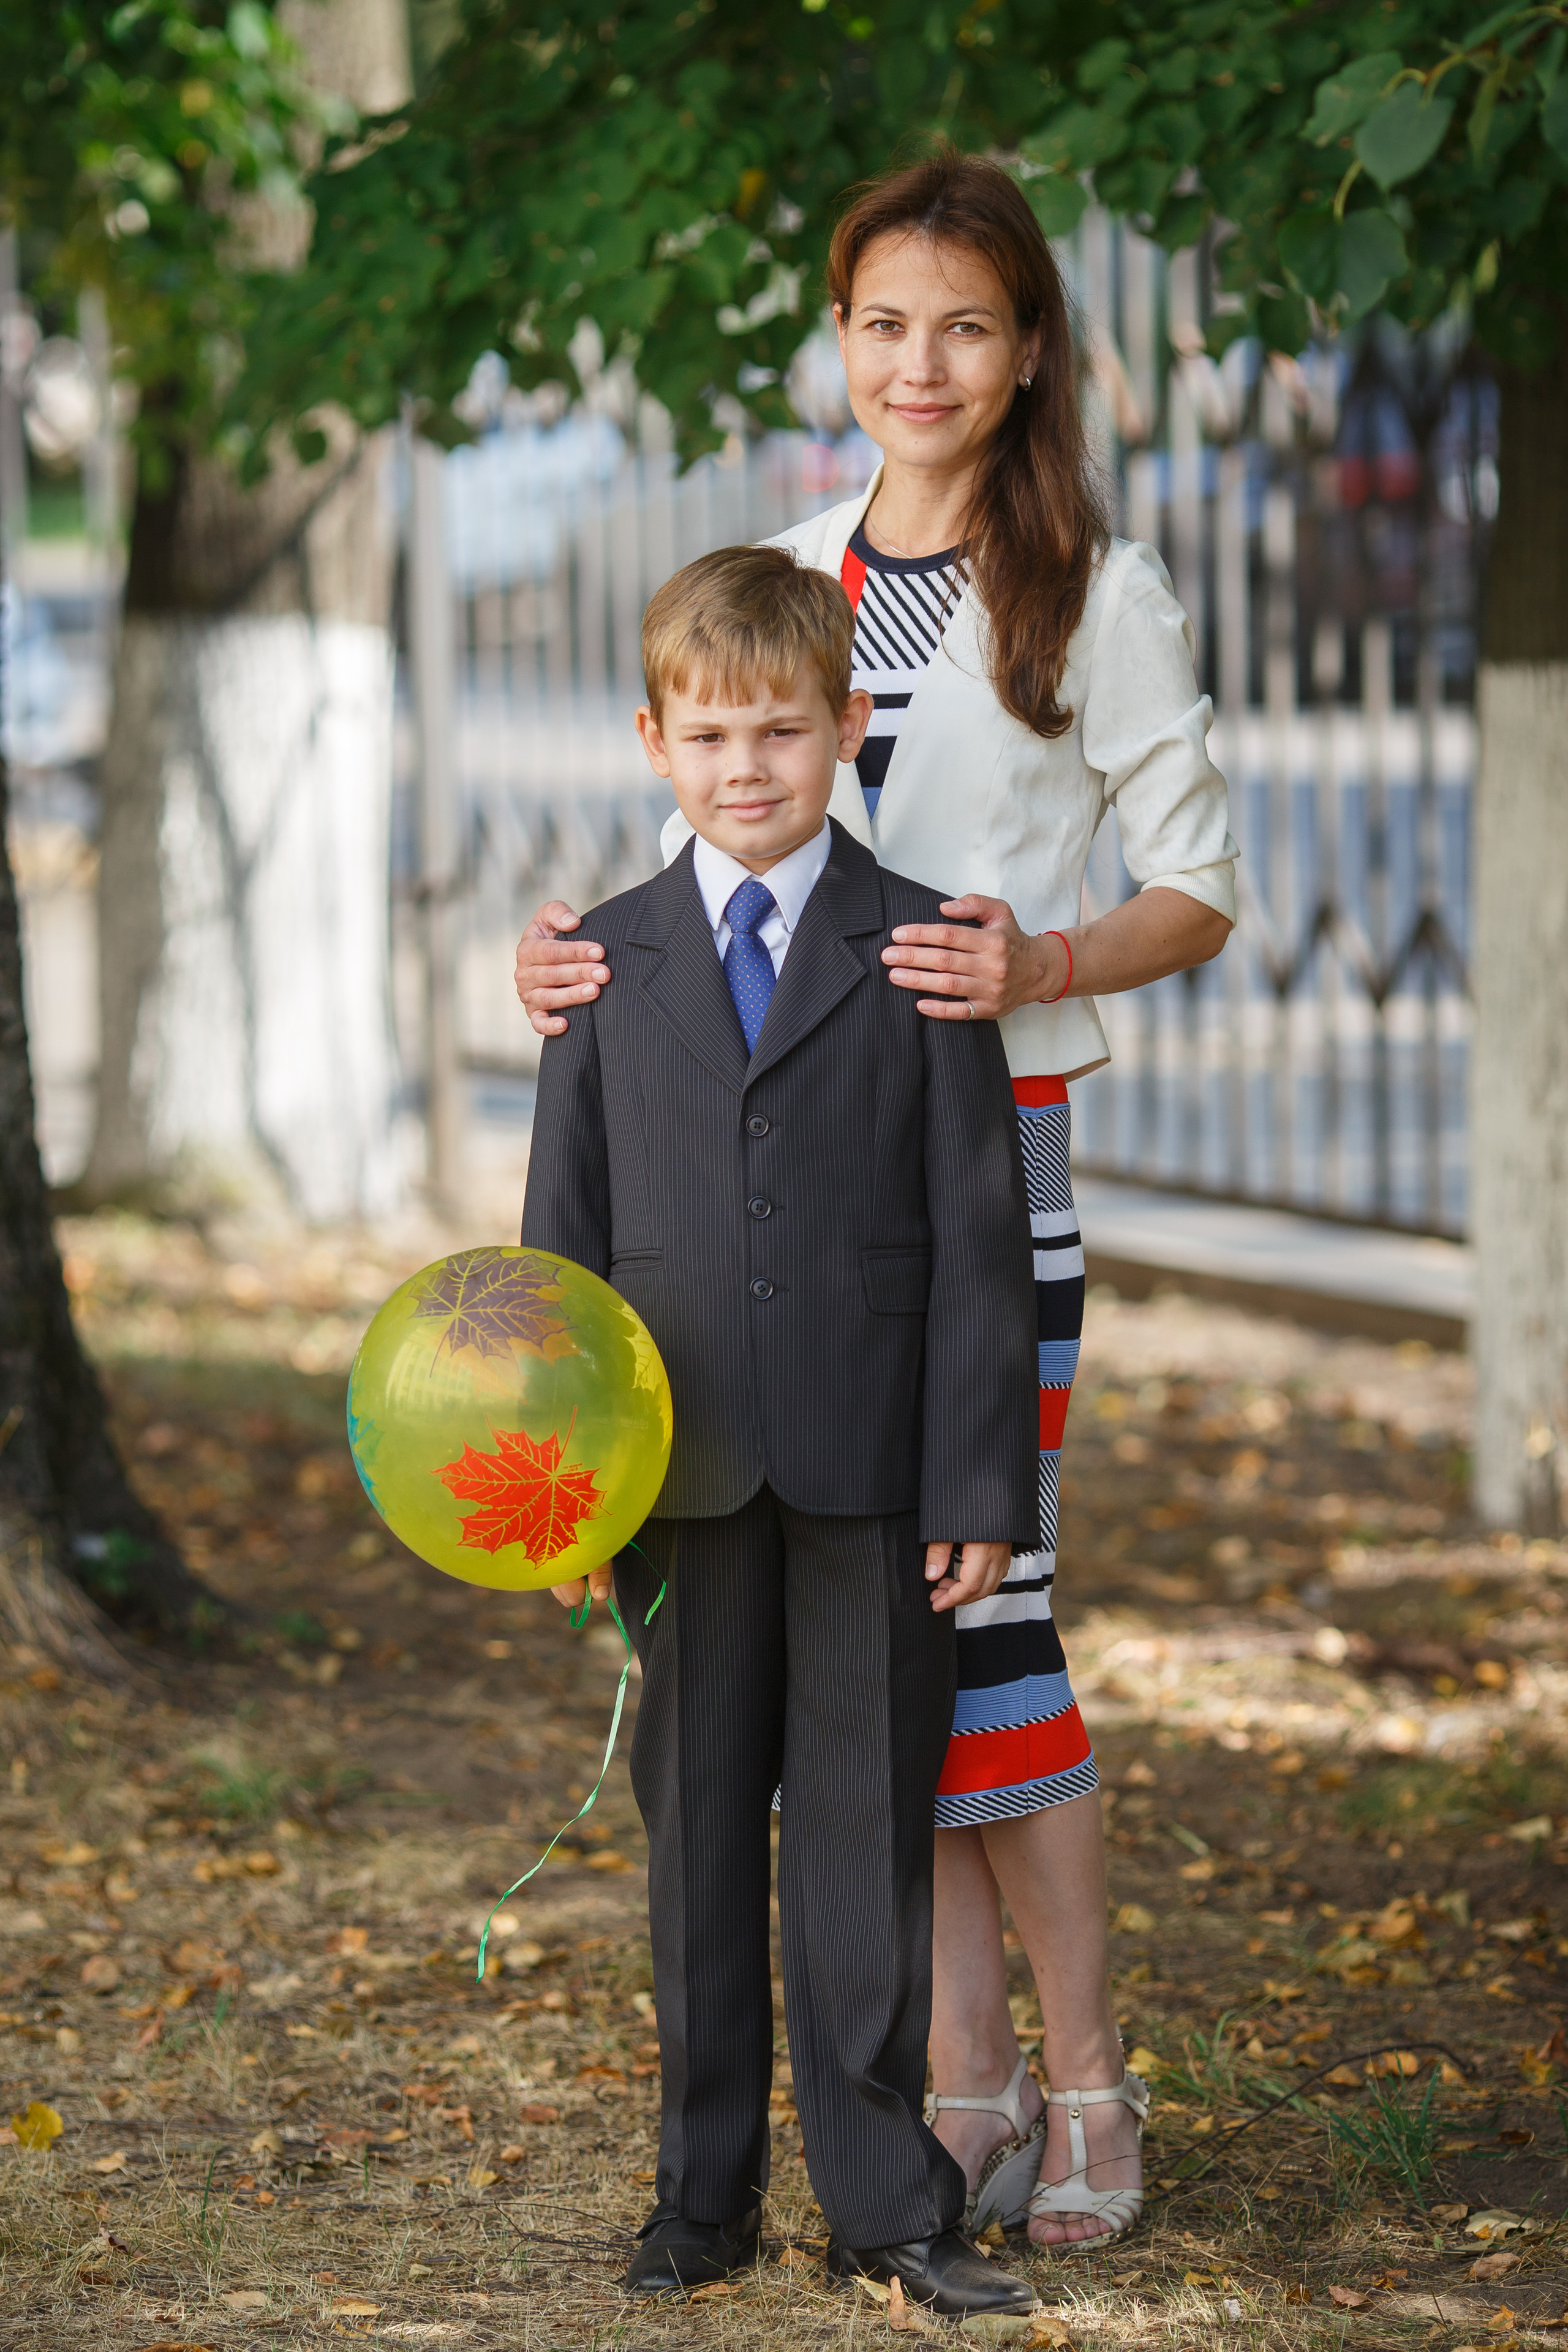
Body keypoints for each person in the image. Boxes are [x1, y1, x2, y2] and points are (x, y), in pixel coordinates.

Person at [514, 149, 1236, 2249]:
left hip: (981, 1147)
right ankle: (958, 2095)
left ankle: (1086, 2092)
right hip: (782, 1172)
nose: (921, 364)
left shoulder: (1095, 586)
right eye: (886, 323)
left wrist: (1044, 963)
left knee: (982, 1617)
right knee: (884, 1680)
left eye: (971, 328)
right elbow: (725, 810)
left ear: (1028, 360)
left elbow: (1200, 889)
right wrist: (572, 968)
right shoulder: (798, 561)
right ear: (844, 341)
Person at [521, 542, 1044, 2316]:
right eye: (715, 734)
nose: (750, 769)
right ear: (655, 739)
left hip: (876, 1476)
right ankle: (701, 2197)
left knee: (862, 1830)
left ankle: (889, 2204)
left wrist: (981, 1481)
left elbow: (981, 1245)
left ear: (849, 728)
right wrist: (564, 1488)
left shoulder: (920, 955)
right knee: (691, 1839)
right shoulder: (602, 965)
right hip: (671, 1483)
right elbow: (560, 1255)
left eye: (785, 733)